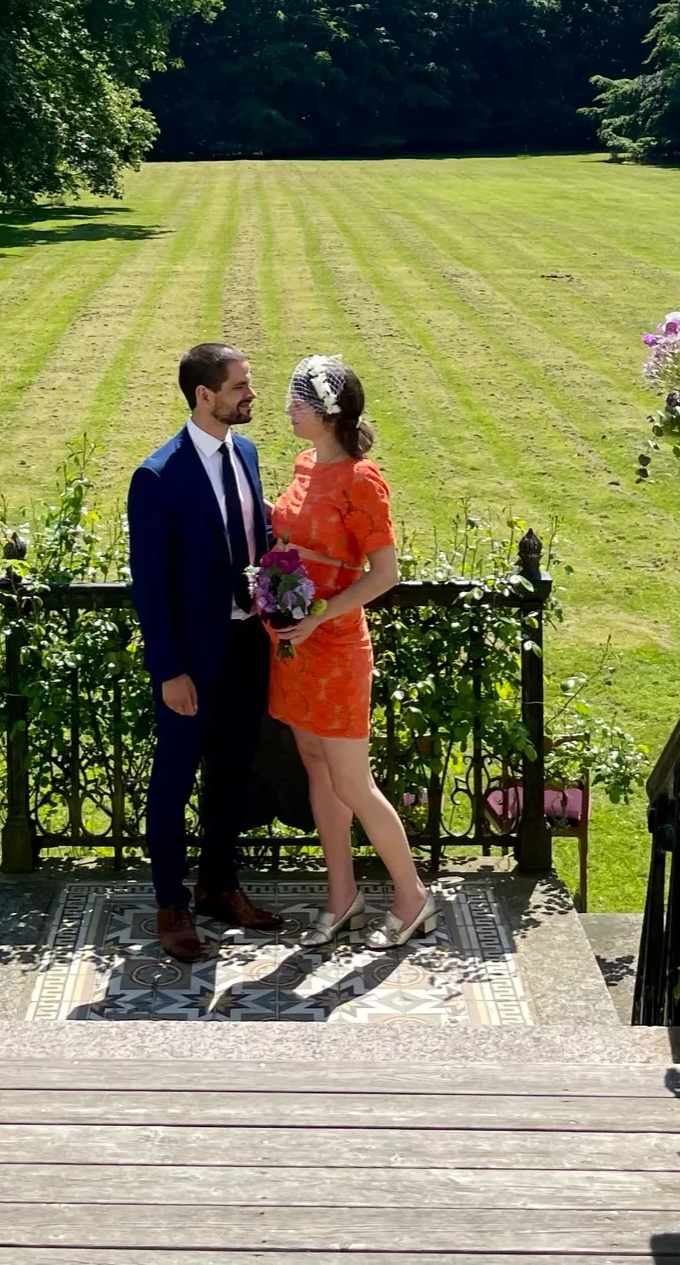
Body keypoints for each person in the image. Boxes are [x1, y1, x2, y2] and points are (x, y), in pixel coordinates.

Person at [265, 354, 435, 951]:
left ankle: (412, 897)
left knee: (354, 782)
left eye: (299, 401)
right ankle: (343, 898)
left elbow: (384, 574)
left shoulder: (362, 480)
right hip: (294, 646)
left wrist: (318, 615)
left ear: (327, 412)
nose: (288, 409)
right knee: (316, 764)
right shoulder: (305, 463)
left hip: (334, 647)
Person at [127, 342, 283, 961]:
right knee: (173, 779)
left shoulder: (247, 453)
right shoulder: (157, 476)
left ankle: (220, 885)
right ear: (204, 395)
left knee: (232, 772)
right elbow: (149, 584)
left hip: (246, 647)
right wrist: (169, 669)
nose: (250, 394)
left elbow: (257, 539)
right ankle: (171, 903)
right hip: (190, 661)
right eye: (240, 385)